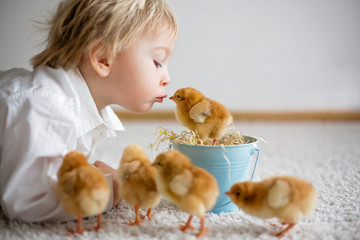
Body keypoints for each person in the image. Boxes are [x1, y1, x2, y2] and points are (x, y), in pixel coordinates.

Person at [0, 0, 178, 222]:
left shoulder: (80, 106)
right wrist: (114, 188)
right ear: (102, 59)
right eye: (158, 62)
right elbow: (28, 202)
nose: (167, 78)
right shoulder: (48, 107)